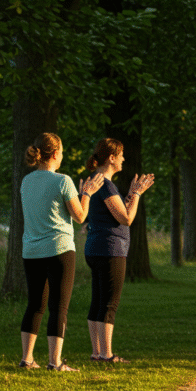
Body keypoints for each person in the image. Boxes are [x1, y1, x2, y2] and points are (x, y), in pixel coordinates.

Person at [19, 133, 104, 372]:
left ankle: (27, 359)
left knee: (35, 305)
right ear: (56, 154)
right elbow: (80, 216)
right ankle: (55, 362)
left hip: (31, 251)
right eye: (63, 152)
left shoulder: (26, 181)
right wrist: (87, 193)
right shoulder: (63, 181)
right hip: (59, 250)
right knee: (58, 307)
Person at [84, 138, 156, 363]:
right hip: (110, 250)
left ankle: (97, 353)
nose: (124, 159)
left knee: (98, 301)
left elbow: (116, 211)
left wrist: (131, 194)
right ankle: (106, 354)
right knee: (109, 303)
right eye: (121, 155)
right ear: (112, 158)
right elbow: (126, 218)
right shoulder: (105, 185)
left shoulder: (95, 181)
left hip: (96, 248)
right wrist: (137, 195)